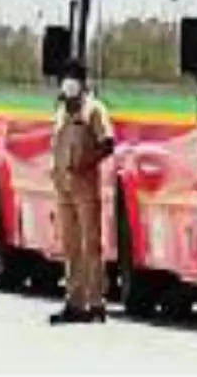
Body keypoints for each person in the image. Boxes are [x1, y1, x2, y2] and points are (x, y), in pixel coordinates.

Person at [48, 68, 114, 324]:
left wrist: (88, 162)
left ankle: (96, 301)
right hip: (63, 187)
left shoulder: (94, 109)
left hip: (85, 186)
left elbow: (108, 143)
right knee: (70, 246)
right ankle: (74, 302)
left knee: (91, 244)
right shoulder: (62, 110)